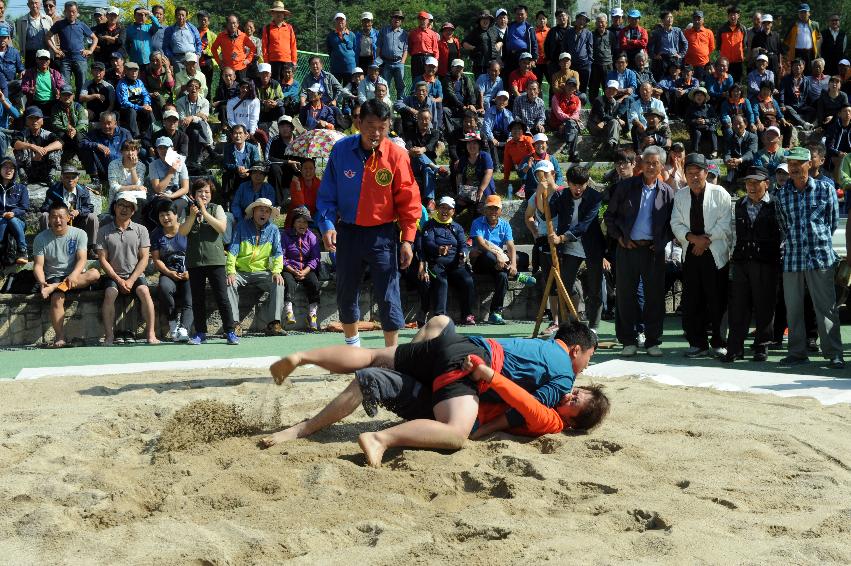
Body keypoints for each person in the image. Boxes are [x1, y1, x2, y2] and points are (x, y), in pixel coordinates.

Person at [264, 315, 601, 464]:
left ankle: (302, 356)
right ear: (575, 349)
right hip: (472, 363)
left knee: (371, 355)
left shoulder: (537, 346)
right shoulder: (563, 376)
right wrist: (491, 426)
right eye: (588, 358)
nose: (584, 367)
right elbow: (526, 406)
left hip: (460, 344)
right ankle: (380, 438)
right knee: (456, 433)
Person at [316, 98, 420, 348]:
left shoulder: (397, 155)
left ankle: (391, 352)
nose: (376, 133)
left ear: (389, 126)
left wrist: (407, 240)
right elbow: (327, 194)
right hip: (348, 233)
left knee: (388, 295)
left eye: (382, 127)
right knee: (346, 292)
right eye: (370, 125)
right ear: (358, 122)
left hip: (382, 235)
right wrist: (327, 225)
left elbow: (409, 199)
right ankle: (353, 348)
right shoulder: (341, 150)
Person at [774, 146, 844, 368]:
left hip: (820, 257)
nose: (793, 168)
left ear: (809, 164)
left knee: (826, 308)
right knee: (793, 308)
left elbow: (832, 223)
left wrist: (817, 239)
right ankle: (797, 353)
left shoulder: (826, 189)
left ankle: (833, 353)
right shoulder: (782, 193)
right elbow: (783, 224)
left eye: (797, 163)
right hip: (793, 258)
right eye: (790, 164)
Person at [604, 145, 675, 356]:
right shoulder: (626, 187)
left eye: (655, 163)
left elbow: (672, 224)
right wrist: (620, 238)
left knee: (654, 296)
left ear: (662, 166)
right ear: (641, 164)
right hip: (627, 248)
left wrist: (661, 242)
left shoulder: (667, 192)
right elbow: (609, 217)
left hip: (653, 250)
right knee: (626, 295)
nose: (651, 167)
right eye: (648, 162)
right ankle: (628, 340)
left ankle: (652, 340)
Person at [670, 153, 732, 358]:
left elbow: (725, 223)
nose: (694, 177)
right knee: (693, 300)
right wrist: (692, 239)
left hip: (714, 253)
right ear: (685, 175)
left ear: (707, 172)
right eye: (690, 173)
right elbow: (675, 223)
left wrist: (704, 241)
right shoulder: (680, 195)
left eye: (698, 173)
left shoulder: (720, 193)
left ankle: (719, 342)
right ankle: (698, 343)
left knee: (717, 300)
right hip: (691, 252)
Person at [722, 166, 782, 363]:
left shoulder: (776, 203)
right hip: (741, 261)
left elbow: (784, 231)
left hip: (766, 262)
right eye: (749, 183)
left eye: (756, 182)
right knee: (738, 306)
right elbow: (733, 231)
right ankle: (735, 348)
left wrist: (776, 253)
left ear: (767, 184)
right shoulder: (739, 204)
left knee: (765, 305)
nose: (751, 186)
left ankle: (761, 347)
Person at [33, 200, 101, 347]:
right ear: (49, 219)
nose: (58, 220)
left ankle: (54, 287)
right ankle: (60, 337)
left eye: (61, 216)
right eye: (54, 217)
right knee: (57, 298)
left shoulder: (79, 234)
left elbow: (82, 259)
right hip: (54, 275)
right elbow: (38, 266)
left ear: (68, 217)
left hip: (75, 274)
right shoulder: (41, 238)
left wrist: (73, 275)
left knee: (95, 273)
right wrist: (41, 281)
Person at [178, 178, 237, 345]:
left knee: (222, 297)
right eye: (200, 192)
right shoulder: (188, 210)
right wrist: (192, 216)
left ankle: (230, 331)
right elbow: (182, 232)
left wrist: (204, 212)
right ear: (193, 194)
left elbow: (221, 228)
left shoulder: (216, 208)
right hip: (194, 261)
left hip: (216, 260)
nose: (203, 195)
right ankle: (200, 333)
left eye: (207, 192)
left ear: (211, 195)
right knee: (197, 299)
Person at [96, 192, 159, 345]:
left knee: (144, 291)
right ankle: (109, 336)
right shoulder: (104, 231)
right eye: (121, 205)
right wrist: (118, 279)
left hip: (135, 275)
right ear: (115, 207)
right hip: (113, 275)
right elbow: (102, 259)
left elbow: (144, 258)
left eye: (128, 207)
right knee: (110, 293)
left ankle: (151, 334)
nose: (124, 209)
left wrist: (131, 280)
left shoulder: (141, 230)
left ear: (133, 210)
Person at [469, 194, 534, 324]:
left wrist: (514, 265)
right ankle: (516, 275)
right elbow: (481, 244)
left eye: (496, 208)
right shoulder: (477, 222)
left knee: (505, 274)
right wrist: (498, 255)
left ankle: (495, 312)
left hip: (499, 262)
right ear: (485, 210)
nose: (493, 211)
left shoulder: (505, 225)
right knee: (488, 255)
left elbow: (510, 246)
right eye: (490, 208)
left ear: (500, 211)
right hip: (482, 261)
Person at [224, 197, 284, 338]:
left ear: (270, 214)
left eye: (267, 211)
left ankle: (273, 324)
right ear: (254, 211)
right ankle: (234, 324)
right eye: (260, 210)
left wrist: (276, 271)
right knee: (229, 283)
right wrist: (231, 272)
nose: (263, 214)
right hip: (240, 271)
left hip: (262, 272)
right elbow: (232, 250)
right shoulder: (241, 226)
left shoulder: (274, 230)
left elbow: (278, 252)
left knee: (279, 282)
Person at [422, 196, 475, 323]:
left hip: (456, 264)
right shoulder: (430, 225)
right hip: (436, 264)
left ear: (453, 211)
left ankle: (467, 315)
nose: (445, 211)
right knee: (442, 282)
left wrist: (463, 254)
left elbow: (463, 244)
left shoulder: (457, 227)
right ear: (438, 209)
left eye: (449, 208)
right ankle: (440, 316)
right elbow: (428, 243)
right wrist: (438, 249)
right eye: (442, 207)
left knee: (467, 280)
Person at [150, 200, 192, 342]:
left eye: (168, 214)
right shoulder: (156, 234)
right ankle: (173, 323)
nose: (165, 218)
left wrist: (190, 272)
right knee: (164, 287)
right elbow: (156, 260)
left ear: (176, 215)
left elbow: (195, 254)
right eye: (162, 215)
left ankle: (184, 328)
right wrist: (169, 273)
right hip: (168, 273)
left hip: (187, 273)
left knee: (189, 299)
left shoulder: (186, 230)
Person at [280, 205, 321, 331]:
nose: (302, 224)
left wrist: (305, 271)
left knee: (314, 283)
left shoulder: (312, 237)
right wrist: (292, 270)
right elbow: (281, 256)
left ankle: (312, 314)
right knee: (288, 282)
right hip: (289, 269)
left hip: (306, 269)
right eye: (299, 221)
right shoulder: (285, 236)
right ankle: (289, 311)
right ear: (293, 223)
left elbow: (315, 258)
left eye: (305, 222)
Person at [46, 1, 97, 95]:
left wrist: (90, 50)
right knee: (65, 86)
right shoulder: (59, 24)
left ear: (77, 12)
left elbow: (95, 38)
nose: (71, 14)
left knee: (81, 86)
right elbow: (48, 36)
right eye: (69, 11)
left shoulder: (81, 25)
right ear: (65, 12)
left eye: (73, 11)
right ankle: (68, 107)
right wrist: (55, 50)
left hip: (80, 58)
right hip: (65, 59)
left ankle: (80, 107)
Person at [39, 163, 97, 244]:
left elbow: (89, 207)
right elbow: (45, 207)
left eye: (73, 177)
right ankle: (45, 244)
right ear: (61, 178)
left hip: (78, 220)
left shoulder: (84, 191)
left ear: (78, 178)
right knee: (44, 216)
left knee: (92, 217)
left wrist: (78, 211)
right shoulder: (53, 190)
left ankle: (91, 247)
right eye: (67, 177)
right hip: (59, 220)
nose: (70, 180)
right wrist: (60, 213)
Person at [13, 105, 62, 184]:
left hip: (45, 169)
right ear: (26, 121)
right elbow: (15, 144)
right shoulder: (21, 134)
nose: (34, 121)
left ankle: (51, 176)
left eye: (37, 118)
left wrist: (43, 150)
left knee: (56, 148)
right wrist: (32, 146)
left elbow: (60, 143)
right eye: (31, 118)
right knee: (19, 148)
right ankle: (23, 177)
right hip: (28, 169)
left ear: (42, 121)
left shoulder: (48, 134)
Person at [147, 136, 189, 224]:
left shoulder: (180, 162)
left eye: (166, 147)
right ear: (157, 150)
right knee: (165, 206)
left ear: (172, 149)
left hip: (178, 196)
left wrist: (171, 196)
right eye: (160, 148)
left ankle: (176, 232)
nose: (163, 150)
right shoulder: (153, 165)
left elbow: (185, 188)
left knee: (174, 207)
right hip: (161, 196)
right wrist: (171, 172)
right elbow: (158, 189)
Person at [221, 124, 261, 203]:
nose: (238, 136)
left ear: (246, 135)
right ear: (232, 136)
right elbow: (226, 164)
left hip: (249, 174)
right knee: (226, 175)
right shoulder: (228, 148)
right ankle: (226, 203)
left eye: (240, 133)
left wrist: (248, 171)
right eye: (235, 133)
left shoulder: (252, 148)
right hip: (234, 173)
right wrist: (237, 168)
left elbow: (257, 164)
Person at [49, 83, 86, 165]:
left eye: (69, 95)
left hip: (76, 131)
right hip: (64, 131)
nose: (66, 97)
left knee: (80, 136)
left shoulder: (79, 107)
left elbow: (83, 123)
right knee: (60, 135)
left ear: (73, 96)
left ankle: (82, 159)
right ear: (60, 96)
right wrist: (67, 128)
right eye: (64, 95)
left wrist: (75, 130)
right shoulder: (56, 108)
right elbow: (56, 123)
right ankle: (62, 158)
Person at [211, 14, 255, 83]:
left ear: (238, 24)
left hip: (241, 68)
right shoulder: (221, 36)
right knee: (224, 89)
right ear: (227, 25)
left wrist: (249, 59)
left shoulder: (243, 36)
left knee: (241, 89)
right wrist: (219, 62)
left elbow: (252, 47)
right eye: (230, 23)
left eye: (234, 23)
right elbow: (213, 48)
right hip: (226, 68)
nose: (232, 25)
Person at [456, 132, 495, 209]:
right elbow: (459, 176)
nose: (471, 146)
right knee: (458, 206)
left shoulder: (485, 156)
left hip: (483, 188)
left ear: (479, 145)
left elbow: (488, 173)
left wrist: (480, 190)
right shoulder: (463, 159)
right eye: (469, 143)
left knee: (480, 208)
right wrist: (460, 192)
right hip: (468, 189)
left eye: (474, 143)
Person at [0, 158, 28, 264]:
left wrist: (13, 213)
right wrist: (3, 214)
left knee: (12, 220)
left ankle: (23, 251)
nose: (8, 170)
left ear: (15, 171)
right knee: (3, 221)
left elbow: (24, 208)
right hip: (1, 219)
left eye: (11, 168)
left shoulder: (21, 188)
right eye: (5, 167)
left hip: (17, 220)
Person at [230, 162, 276, 227]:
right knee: (229, 217)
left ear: (265, 176)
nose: (258, 176)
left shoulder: (269, 189)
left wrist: (257, 218)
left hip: (262, 216)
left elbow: (270, 207)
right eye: (255, 173)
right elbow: (235, 204)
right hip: (243, 216)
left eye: (261, 173)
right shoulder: (242, 187)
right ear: (250, 174)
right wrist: (240, 219)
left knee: (270, 220)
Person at [116, 61, 153, 142]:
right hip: (127, 109)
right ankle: (136, 136)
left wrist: (146, 104)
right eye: (131, 70)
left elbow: (146, 95)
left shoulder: (139, 82)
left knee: (149, 110)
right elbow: (124, 102)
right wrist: (140, 107)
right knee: (132, 111)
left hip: (140, 106)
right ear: (125, 71)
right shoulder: (122, 84)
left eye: (135, 70)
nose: (134, 73)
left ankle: (152, 133)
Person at [262, 1, 297, 83]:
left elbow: (293, 45)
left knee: (287, 83)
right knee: (274, 83)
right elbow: (264, 47)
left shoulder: (289, 27)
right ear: (272, 14)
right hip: (273, 62)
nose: (279, 14)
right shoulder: (267, 28)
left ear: (284, 14)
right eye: (276, 12)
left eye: (281, 12)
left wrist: (294, 61)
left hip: (287, 61)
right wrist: (266, 63)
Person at [376, 9, 408, 98]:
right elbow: (378, 47)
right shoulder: (383, 31)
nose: (397, 19)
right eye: (395, 17)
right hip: (386, 63)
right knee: (384, 86)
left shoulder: (404, 33)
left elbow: (406, 50)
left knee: (401, 87)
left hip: (399, 63)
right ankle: (386, 108)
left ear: (401, 21)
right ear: (391, 18)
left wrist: (402, 62)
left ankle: (400, 107)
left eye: (399, 18)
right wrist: (378, 62)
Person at [20, 48, 64, 113]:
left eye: (46, 59)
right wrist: (29, 90)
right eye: (41, 59)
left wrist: (59, 91)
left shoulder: (55, 73)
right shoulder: (29, 73)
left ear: (49, 60)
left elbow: (62, 86)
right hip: (35, 103)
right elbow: (23, 87)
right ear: (37, 60)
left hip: (52, 103)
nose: (44, 61)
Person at [648, 11, 687, 82]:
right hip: (662, 59)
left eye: (671, 17)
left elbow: (685, 43)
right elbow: (650, 46)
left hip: (674, 58)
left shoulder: (677, 31)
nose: (670, 19)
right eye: (668, 17)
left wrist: (681, 55)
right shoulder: (656, 32)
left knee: (675, 79)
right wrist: (654, 56)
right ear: (662, 20)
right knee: (661, 79)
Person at [549, 78, 581, 162]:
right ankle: (572, 153)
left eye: (573, 86)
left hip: (568, 127)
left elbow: (576, 114)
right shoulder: (556, 97)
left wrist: (568, 122)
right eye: (569, 85)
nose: (571, 87)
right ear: (565, 86)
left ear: (575, 89)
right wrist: (567, 121)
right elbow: (558, 113)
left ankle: (568, 145)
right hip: (557, 126)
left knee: (572, 126)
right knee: (573, 126)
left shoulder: (577, 100)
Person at [16, 0, 55, 69]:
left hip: (45, 55)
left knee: (44, 76)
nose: (34, 5)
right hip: (29, 55)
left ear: (40, 4)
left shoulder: (48, 19)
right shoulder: (21, 21)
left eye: (36, 3)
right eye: (31, 3)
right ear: (28, 5)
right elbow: (21, 39)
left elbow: (51, 38)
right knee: (30, 77)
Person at [589, 80, 625, 152]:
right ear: (605, 89)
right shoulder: (598, 100)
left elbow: (610, 117)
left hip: (606, 127)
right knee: (616, 121)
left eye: (613, 89)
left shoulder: (615, 103)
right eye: (609, 88)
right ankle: (614, 147)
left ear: (616, 92)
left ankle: (611, 144)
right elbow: (603, 116)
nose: (611, 91)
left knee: (615, 123)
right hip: (596, 126)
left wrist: (605, 122)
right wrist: (617, 119)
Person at [783, 4, 820, 72]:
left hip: (810, 53)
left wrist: (818, 53)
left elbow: (818, 39)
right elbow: (786, 40)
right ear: (798, 14)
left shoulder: (814, 25)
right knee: (796, 72)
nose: (803, 14)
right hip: (797, 53)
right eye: (801, 12)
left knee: (809, 73)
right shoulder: (794, 24)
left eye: (805, 12)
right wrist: (787, 53)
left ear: (809, 13)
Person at [163, 6, 202, 71]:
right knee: (180, 80)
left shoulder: (192, 28)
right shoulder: (169, 30)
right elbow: (165, 46)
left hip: (192, 58)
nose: (181, 17)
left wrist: (197, 55)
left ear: (186, 17)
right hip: (178, 60)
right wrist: (172, 58)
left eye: (183, 15)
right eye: (178, 15)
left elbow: (199, 43)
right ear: (175, 16)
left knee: (195, 79)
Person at [463, 10, 499, 78]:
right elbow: (464, 43)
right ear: (480, 20)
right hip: (479, 64)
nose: (485, 21)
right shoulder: (475, 31)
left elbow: (500, 40)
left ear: (489, 20)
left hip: (492, 63)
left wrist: (498, 45)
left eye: (487, 19)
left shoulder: (494, 30)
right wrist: (473, 48)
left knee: (492, 83)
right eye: (483, 19)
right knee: (479, 85)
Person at [589, 13, 616, 101]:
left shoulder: (611, 34)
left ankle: (608, 107)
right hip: (595, 65)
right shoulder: (591, 35)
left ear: (606, 23)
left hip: (608, 65)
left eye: (602, 22)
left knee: (608, 88)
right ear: (595, 23)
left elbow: (614, 49)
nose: (600, 24)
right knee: (593, 88)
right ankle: (594, 109)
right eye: (598, 22)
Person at [227, 79, 262, 145]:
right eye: (243, 87)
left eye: (247, 87)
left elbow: (254, 118)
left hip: (250, 131)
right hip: (236, 131)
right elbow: (230, 120)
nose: (245, 90)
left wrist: (251, 133)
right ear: (239, 88)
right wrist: (239, 132)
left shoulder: (255, 101)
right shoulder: (231, 102)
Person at [685, 87, 718, 158]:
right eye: (697, 95)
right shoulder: (690, 108)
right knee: (697, 133)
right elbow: (686, 120)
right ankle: (695, 151)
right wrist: (695, 121)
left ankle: (714, 151)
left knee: (712, 130)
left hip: (707, 127)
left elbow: (715, 119)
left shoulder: (709, 107)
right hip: (696, 128)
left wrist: (706, 121)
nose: (699, 97)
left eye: (701, 95)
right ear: (694, 97)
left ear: (705, 97)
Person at [724, 116, 759, 182]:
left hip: (748, 164)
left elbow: (751, 153)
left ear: (745, 125)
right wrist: (728, 160)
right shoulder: (730, 138)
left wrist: (740, 160)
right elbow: (727, 153)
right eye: (735, 124)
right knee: (728, 182)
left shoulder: (752, 137)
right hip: (735, 165)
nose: (737, 126)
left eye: (740, 123)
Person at [717, 6, 746, 82]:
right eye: (731, 15)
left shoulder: (742, 29)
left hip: (738, 62)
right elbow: (718, 46)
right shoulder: (721, 29)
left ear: (738, 16)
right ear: (728, 16)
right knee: (726, 83)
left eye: (735, 14)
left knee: (738, 83)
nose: (733, 17)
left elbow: (744, 45)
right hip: (725, 63)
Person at [684, 10, 714, 80]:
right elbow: (683, 47)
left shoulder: (708, 32)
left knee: (703, 86)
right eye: (695, 19)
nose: (697, 21)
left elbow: (711, 48)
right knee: (690, 86)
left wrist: (701, 54)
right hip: (689, 65)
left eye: (699, 19)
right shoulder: (686, 32)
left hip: (704, 65)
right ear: (692, 20)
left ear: (703, 20)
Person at [326, 13, 356, 84]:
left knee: (349, 90)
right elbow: (329, 50)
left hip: (349, 67)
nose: (340, 22)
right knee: (336, 89)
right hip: (336, 68)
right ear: (335, 22)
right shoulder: (330, 36)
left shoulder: (352, 35)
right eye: (337, 20)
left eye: (342, 20)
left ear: (345, 22)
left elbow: (355, 49)